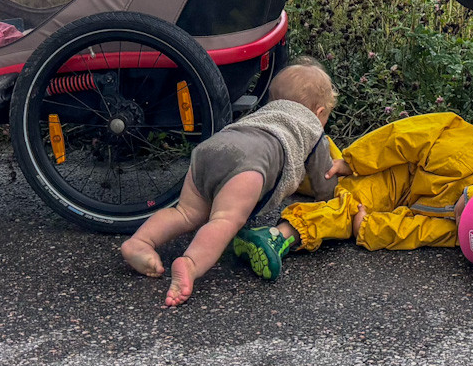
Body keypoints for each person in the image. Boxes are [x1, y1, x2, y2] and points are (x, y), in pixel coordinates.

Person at [120, 60, 340, 305]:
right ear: (320, 112)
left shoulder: (265, 113)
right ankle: (190, 263)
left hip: (212, 149)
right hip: (250, 162)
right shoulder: (311, 127)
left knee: (185, 213)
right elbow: (325, 180)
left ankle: (140, 242)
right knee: (224, 220)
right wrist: (332, 199)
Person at [230, 110, 473, 278]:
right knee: (336, 183)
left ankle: (276, 235)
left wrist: (368, 228)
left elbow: (415, 230)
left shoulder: (468, 234)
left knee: (344, 205)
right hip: (395, 170)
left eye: (463, 226)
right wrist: (355, 162)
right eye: (465, 212)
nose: (457, 220)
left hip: (404, 198)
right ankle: (267, 155)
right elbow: (401, 137)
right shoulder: (466, 151)